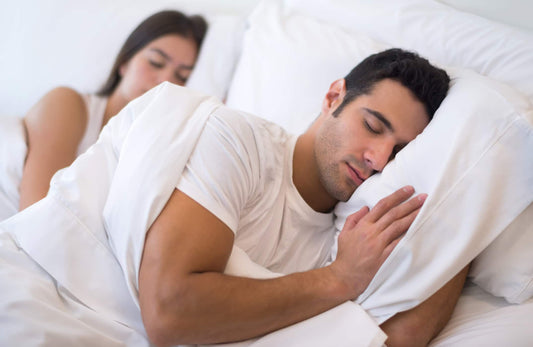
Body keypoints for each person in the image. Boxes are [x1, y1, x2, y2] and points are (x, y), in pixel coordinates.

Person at [0, 48, 466, 347]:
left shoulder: (345, 239)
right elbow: (170, 311)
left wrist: (471, 227)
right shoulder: (237, 140)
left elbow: (396, 340)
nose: (379, 159)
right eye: (372, 125)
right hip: (40, 294)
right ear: (333, 96)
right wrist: (339, 280)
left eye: (401, 151)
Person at [17, 10, 207, 211]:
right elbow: (35, 215)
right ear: (124, 63)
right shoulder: (67, 104)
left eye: (183, 77)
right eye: (155, 63)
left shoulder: (154, 150)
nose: (166, 82)